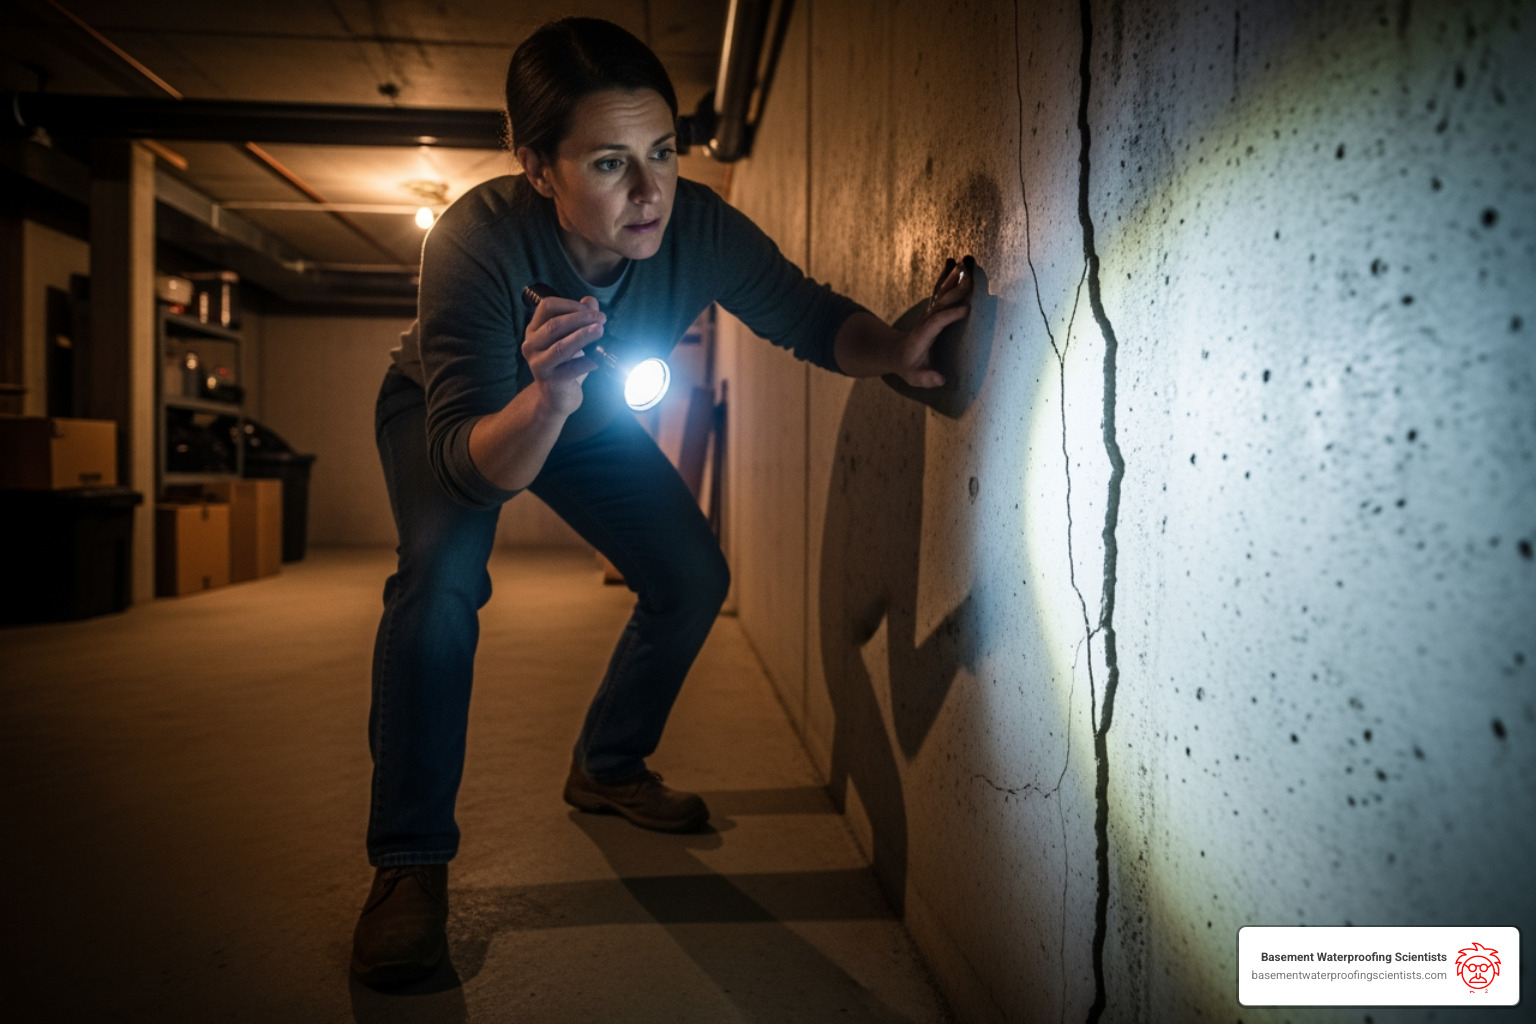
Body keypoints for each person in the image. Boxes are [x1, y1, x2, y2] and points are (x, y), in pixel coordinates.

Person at [351, 16, 972, 987]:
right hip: (461, 420)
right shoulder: (477, 240)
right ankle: (408, 862)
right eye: (610, 163)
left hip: (582, 407)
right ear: (538, 167)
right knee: (440, 588)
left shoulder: (698, 227)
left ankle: (607, 765)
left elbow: (808, 315)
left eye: (663, 152)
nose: (651, 192)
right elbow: (472, 471)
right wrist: (545, 398)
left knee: (690, 578)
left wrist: (892, 349)